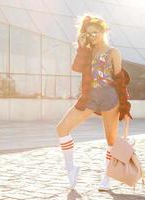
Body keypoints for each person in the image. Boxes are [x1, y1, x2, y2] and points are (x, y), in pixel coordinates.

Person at [56, 14, 133, 191]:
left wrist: (124, 106)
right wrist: (81, 48)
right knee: (62, 128)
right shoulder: (88, 51)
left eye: (95, 32)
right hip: (90, 96)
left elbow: (120, 81)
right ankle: (70, 168)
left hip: (110, 97)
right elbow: (76, 68)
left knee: (111, 140)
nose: (92, 36)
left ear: (104, 31)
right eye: (89, 33)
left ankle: (107, 177)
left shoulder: (114, 52)